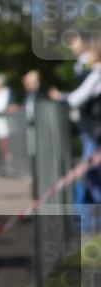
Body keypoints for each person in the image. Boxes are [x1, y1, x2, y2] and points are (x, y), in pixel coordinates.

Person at [50, 40, 101, 234]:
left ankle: (85, 226)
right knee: (92, 178)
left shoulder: (97, 74)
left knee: (87, 177)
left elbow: (76, 98)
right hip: (93, 132)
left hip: (94, 133)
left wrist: (61, 97)